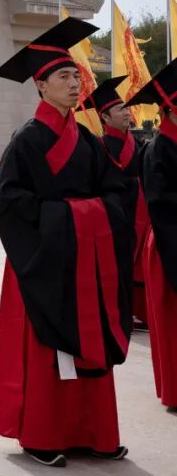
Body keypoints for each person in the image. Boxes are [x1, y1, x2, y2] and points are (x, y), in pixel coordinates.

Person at [0, 18, 133, 466]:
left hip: (85, 260)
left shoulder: (87, 140)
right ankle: (42, 435)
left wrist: (89, 215)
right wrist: (73, 216)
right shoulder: (25, 141)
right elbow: (10, 205)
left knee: (90, 344)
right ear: (40, 85)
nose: (75, 84)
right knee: (46, 349)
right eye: (64, 77)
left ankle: (94, 432)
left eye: (77, 76)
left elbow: (116, 191)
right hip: (42, 262)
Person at [125, 59, 177, 409]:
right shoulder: (158, 149)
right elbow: (161, 204)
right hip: (170, 243)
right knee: (173, 323)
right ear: (169, 109)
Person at [84, 76, 151, 331]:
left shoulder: (139, 145)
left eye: (126, 108)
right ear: (105, 117)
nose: (126, 113)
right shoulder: (98, 147)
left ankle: (139, 311)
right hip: (115, 214)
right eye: (120, 109)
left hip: (140, 215)